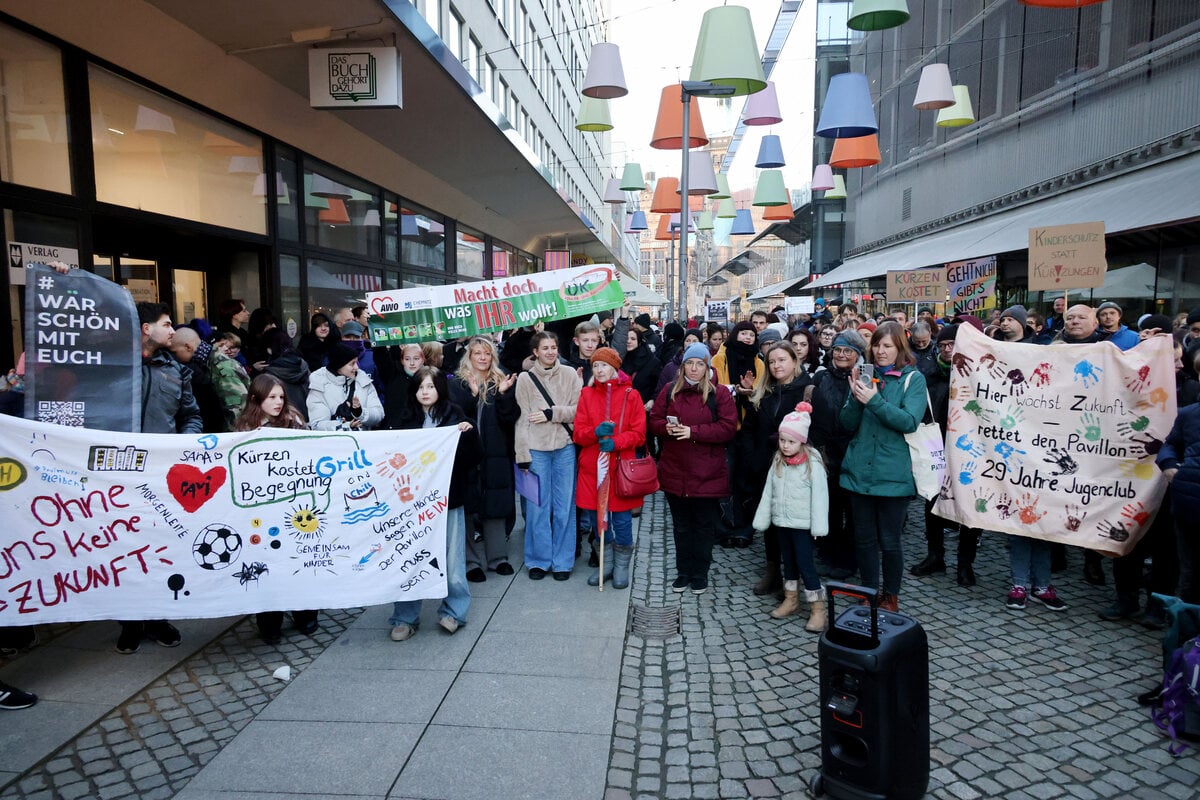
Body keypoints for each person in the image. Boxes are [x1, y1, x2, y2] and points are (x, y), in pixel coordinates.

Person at [117, 302, 201, 654]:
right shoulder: (113, 365)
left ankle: (158, 617)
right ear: (144, 328)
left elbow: (190, 414)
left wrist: (181, 448)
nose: (173, 330)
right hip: (117, 474)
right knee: (123, 548)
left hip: (160, 476)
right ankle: (129, 621)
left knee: (161, 546)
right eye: (166, 324)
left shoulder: (176, 370)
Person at [838, 321, 926, 613]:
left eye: (887, 345)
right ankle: (868, 589)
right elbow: (847, 424)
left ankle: (890, 595)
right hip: (860, 471)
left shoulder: (913, 379)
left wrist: (874, 401)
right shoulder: (866, 375)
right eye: (876, 345)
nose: (880, 351)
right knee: (863, 539)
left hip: (893, 473)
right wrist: (856, 398)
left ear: (900, 347)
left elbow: (909, 421)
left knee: (889, 541)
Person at [388, 367, 479, 641]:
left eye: (430, 386)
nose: (425, 392)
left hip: (449, 500)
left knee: (452, 560)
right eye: (420, 387)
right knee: (409, 557)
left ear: (440, 388)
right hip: (412, 505)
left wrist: (468, 433)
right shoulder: (404, 419)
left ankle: (454, 611)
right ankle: (405, 616)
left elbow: (474, 458)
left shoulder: (455, 416)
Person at [234, 374, 320, 642]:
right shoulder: (243, 428)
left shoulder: (294, 421)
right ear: (256, 398)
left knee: (298, 560)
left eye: (281, 397)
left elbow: (308, 456)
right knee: (266, 563)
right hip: (260, 507)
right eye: (271, 397)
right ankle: (269, 621)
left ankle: (305, 614)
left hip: (294, 504)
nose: (278, 402)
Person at [649, 343, 737, 593]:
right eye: (690, 363)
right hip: (675, 469)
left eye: (700, 363)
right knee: (681, 526)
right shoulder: (669, 390)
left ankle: (700, 573)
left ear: (707, 366)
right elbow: (654, 420)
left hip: (706, 472)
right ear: (683, 366)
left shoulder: (718, 394)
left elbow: (728, 428)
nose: (695, 368)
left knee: (703, 526)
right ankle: (683, 571)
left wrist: (693, 432)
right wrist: (665, 428)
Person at [909, 324, 982, 586]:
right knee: (933, 504)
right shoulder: (929, 373)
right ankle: (935, 556)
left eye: (952, 345)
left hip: (973, 452)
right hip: (938, 448)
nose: (947, 350)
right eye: (943, 345)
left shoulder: (979, 375)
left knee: (970, 508)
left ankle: (965, 563)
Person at [741, 342, 813, 593]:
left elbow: (816, 431)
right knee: (771, 523)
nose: (776, 365)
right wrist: (753, 458)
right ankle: (772, 571)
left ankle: (793, 578)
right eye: (772, 361)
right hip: (765, 467)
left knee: (793, 525)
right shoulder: (764, 391)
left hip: (795, 468)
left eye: (782, 360)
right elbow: (749, 428)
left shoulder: (807, 391)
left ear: (794, 361)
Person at [573, 347, 647, 589]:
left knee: (622, 519)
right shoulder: (586, 394)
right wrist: (595, 433)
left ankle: (622, 565)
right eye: (596, 366)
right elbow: (578, 434)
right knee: (597, 518)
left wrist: (616, 441)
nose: (600, 370)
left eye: (604, 365)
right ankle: (606, 562)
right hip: (593, 469)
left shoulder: (630, 395)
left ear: (615, 368)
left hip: (618, 468)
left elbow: (639, 434)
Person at [753, 402, 829, 631]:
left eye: (791, 441)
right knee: (789, 563)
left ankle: (818, 608)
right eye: (782, 440)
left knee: (806, 564)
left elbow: (820, 497)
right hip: (782, 521)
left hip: (802, 524)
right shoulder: (778, 460)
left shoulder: (812, 463)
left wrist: (818, 526)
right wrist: (763, 518)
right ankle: (791, 599)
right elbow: (769, 490)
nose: (785, 446)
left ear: (802, 441)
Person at [450, 336, 519, 581]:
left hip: (496, 452)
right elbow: (455, 415)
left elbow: (510, 418)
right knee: (467, 506)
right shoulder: (456, 382)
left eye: (487, 353)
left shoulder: (503, 381)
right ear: (468, 356)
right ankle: (470, 562)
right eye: (477, 353)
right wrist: (472, 393)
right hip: (466, 454)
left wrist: (501, 396)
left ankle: (498, 558)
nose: (482, 357)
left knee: (495, 503)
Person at [515, 331, 582, 580]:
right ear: (535, 352)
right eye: (545, 348)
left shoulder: (569, 374)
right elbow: (521, 419)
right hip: (536, 450)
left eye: (554, 347)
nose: (550, 352)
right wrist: (522, 454)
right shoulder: (525, 378)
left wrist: (552, 413)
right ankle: (538, 560)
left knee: (564, 507)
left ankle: (563, 561)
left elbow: (579, 410)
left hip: (564, 447)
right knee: (537, 507)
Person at [808, 331, 867, 580]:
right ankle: (828, 551)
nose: (842, 355)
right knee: (829, 505)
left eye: (848, 351)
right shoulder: (822, 377)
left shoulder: (865, 378)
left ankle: (848, 557)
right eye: (839, 350)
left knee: (852, 509)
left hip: (854, 450)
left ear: (858, 355)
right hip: (827, 450)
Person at [306, 344, 384, 431]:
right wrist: (346, 426)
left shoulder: (363, 381)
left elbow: (379, 414)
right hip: (334, 442)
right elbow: (318, 424)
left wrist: (360, 412)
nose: (356, 367)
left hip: (363, 441)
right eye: (352, 364)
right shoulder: (319, 385)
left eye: (356, 362)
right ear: (339, 366)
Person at [259, 329, 311, 422]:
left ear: (269, 349)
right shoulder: (302, 365)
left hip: (283, 420)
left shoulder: (270, 374)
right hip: (308, 416)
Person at [380, 344, 426, 429]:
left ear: (423, 360)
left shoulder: (429, 378)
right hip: (395, 429)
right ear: (402, 361)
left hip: (420, 430)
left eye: (416, 359)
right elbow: (381, 357)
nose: (412, 363)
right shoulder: (392, 375)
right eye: (407, 359)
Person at [621, 328, 662, 407]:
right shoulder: (620, 358)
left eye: (633, 339)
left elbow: (659, 385)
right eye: (626, 338)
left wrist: (652, 400)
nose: (628, 341)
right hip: (623, 407)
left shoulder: (652, 361)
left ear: (639, 341)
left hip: (643, 407)